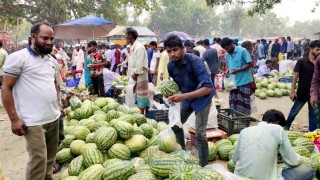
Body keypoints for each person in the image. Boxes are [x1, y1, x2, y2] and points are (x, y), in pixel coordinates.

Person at [2, 22, 63, 180]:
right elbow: (6, 88)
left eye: (51, 39)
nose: (49, 42)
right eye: (45, 38)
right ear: (33, 37)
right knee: (38, 161)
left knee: (50, 160)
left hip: (53, 118)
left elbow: (55, 84)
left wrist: (58, 104)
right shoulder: (18, 58)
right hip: (33, 121)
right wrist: (14, 119)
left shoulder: (52, 61)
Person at [165, 35, 214, 167]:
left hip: (202, 99)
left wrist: (183, 96)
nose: (172, 54)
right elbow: (175, 86)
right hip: (187, 97)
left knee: (199, 134)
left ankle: (203, 165)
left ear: (183, 48)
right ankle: (182, 154)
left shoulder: (195, 61)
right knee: (176, 125)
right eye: (169, 51)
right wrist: (170, 94)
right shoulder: (171, 66)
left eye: (175, 50)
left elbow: (208, 88)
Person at [233, 109, 315, 180]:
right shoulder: (278, 129)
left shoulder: (245, 131)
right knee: (309, 170)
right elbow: (293, 161)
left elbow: (235, 159)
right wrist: (298, 156)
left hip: (239, 177)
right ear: (277, 122)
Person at [290, 40, 320, 131]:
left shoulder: (318, 61)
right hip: (303, 91)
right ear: (311, 49)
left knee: (313, 114)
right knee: (294, 111)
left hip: (314, 94)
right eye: (317, 49)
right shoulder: (302, 61)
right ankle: (286, 125)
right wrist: (292, 90)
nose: (319, 52)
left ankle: (312, 132)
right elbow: (295, 76)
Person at [221, 38, 254, 115]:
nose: (227, 50)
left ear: (231, 44)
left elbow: (250, 64)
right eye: (225, 49)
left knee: (244, 101)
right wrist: (227, 72)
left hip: (244, 80)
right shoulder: (227, 54)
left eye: (227, 48)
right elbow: (229, 67)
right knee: (233, 101)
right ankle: (235, 116)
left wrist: (238, 70)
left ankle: (244, 118)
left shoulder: (242, 51)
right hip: (234, 82)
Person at [125, 27, 150, 114]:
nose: (125, 37)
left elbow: (139, 65)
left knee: (141, 96)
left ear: (130, 35)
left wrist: (134, 75)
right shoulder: (134, 46)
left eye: (126, 34)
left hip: (140, 74)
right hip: (135, 74)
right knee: (136, 94)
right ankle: (139, 114)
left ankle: (141, 116)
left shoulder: (139, 47)